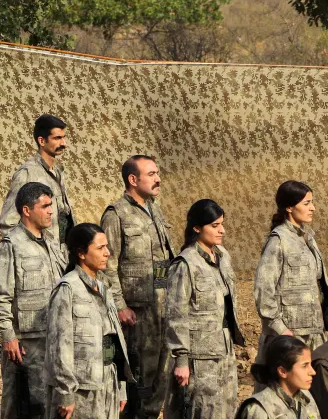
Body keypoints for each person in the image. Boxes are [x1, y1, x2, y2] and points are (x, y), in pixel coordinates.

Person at [100, 154, 173, 418]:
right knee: (138, 381)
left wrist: (168, 296)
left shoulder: (155, 210)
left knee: (160, 378)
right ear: (133, 179)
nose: (158, 179)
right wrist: (119, 306)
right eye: (151, 174)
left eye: (157, 173)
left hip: (161, 309)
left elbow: (162, 260)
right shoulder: (116, 215)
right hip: (136, 315)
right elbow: (107, 265)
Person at [0, 182, 66, 419]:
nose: (51, 211)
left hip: (52, 338)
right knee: (20, 407)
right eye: (45, 206)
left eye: (51, 205)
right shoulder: (11, 245)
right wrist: (8, 336)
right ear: (26, 210)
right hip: (24, 344)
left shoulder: (51, 243)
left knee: (47, 405)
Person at [164, 200, 246, 419]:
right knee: (203, 410)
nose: (222, 230)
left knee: (227, 408)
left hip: (224, 350)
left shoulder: (222, 256)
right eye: (215, 225)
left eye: (222, 224)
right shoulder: (186, 264)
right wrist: (182, 360)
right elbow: (176, 314)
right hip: (199, 357)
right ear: (197, 228)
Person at [46, 223, 133, 419]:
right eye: (100, 248)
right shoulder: (68, 289)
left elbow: (113, 340)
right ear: (81, 253)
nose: (107, 253)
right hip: (81, 389)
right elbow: (59, 346)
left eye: (107, 247)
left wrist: (121, 386)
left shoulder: (103, 287)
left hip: (107, 382)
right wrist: (65, 393)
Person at [254, 181, 325, 388]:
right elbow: (263, 289)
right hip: (289, 337)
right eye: (307, 203)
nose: (313, 208)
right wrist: (281, 329)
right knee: (281, 393)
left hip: (313, 333)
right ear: (289, 207)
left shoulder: (308, 238)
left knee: (313, 394)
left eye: (312, 202)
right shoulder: (278, 241)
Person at [0, 114, 75, 249]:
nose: (63, 143)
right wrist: (31, 253)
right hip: (41, 254)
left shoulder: (58, 172)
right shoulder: (28, 173)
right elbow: (8, 224)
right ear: (42, 141)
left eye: (63, 138)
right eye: (57, 138)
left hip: (62, 253)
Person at [236, 335, 320, 419]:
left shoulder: (305, 397)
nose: (313, 372)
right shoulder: (261, 409)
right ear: (283, 371)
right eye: (305, 366)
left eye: (310, 364)